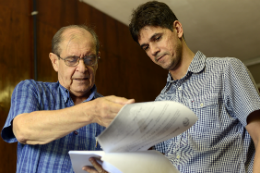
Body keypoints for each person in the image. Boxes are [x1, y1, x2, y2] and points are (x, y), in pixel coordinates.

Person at [84, 1, 260, 173]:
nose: (153, 51)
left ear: (177, 29)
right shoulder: (159, 103)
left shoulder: (226, 70)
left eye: (157, 38)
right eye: (146, 47)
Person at [1, 24, 134, 173]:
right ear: (55, 62)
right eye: (72, 60)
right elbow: (23, 130)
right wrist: (92, 111)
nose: (82, 68)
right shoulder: (32, 90)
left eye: (90, 59)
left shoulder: (112, 111)